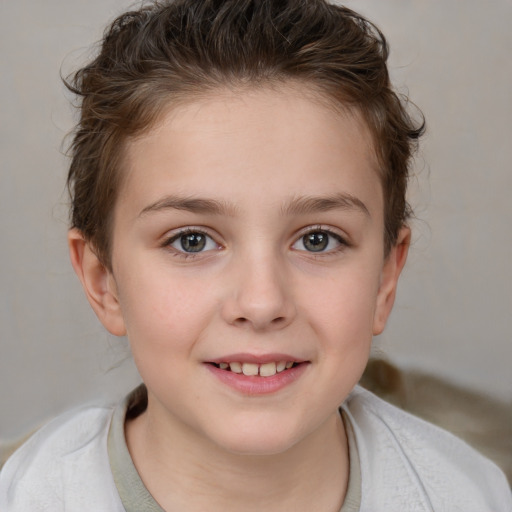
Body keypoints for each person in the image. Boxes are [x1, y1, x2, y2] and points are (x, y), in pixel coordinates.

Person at [0, 0, 510, 510]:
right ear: (102, 280)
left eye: (318, 239)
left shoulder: (468, 495)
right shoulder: (28, 494)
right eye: (192, 240)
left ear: (384, 278)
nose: (262, 302)